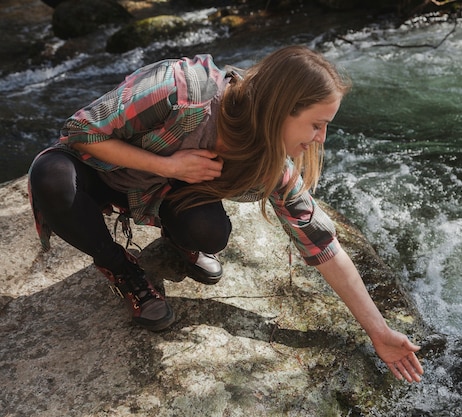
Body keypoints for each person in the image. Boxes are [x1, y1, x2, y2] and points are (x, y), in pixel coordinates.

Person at [28, 45, 424, 383]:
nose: (321, 138)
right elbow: (81, 131)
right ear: (282, 109)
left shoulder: (275, 162)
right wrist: (170, 166)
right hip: (98, 173)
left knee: (209, 232)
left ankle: (178, 238)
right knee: (50, 179)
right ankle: (120, 266)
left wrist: (379, 331)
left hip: (163, 193)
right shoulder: (182, 90)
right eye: (317, 125)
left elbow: (320, 242)